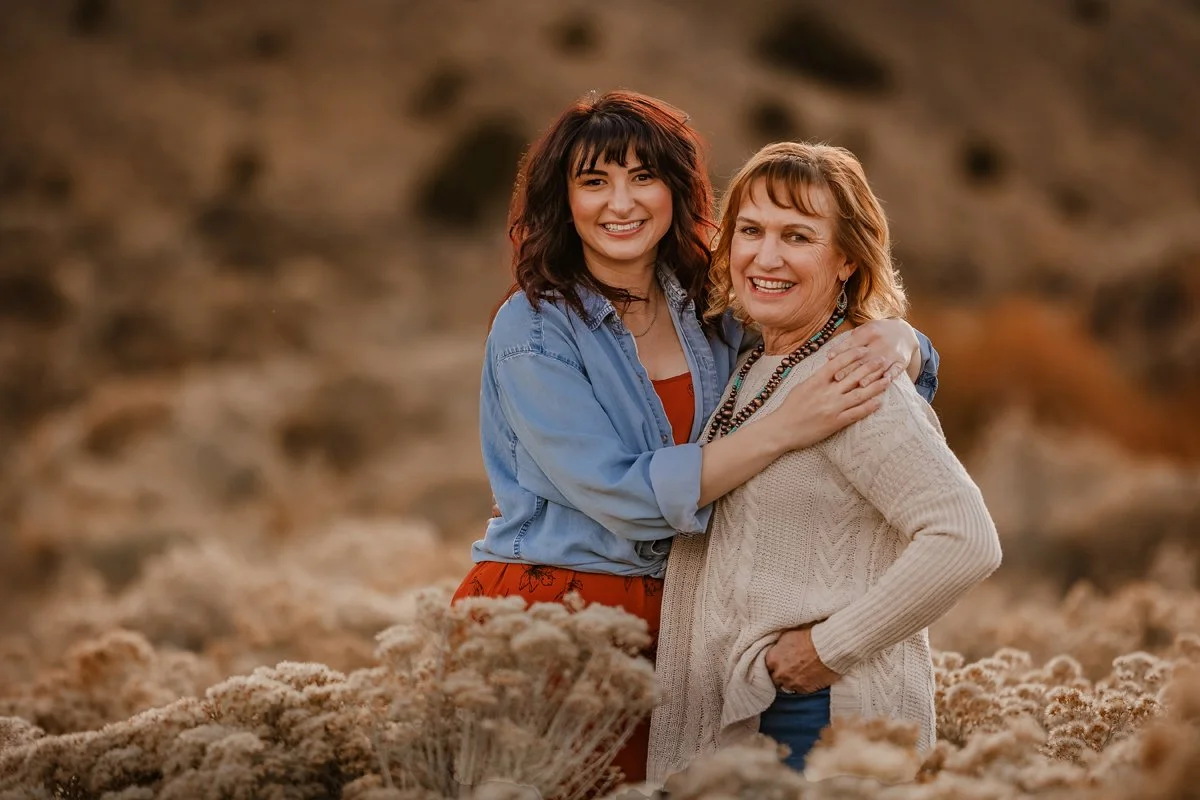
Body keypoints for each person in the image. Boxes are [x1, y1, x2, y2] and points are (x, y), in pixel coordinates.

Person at [453, 91, 940, 785]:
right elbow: (626, 496)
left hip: (686, 631)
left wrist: (900, 339)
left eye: (641, 177)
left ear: (677, 191)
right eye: (594, 182)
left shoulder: (710, 311)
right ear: (564, 201)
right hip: (552, 621)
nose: (620, 202)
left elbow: (818, 332)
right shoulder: (533, 330)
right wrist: (781, 431)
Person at [647, 142, 1002, 781]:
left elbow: (966, 538)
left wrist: (828, 650)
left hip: (822, 717)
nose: (767, 255)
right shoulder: (755, 361)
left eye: (798, 236)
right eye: (750, 231)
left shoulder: (854, 380)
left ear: (844, 260)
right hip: (758, 710)